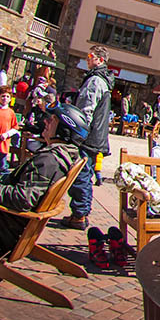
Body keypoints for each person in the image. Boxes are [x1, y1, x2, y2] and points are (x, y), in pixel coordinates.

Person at [0, 103, 85, 257]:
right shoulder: (60, 157)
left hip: (6, 230)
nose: (46, 122)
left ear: (63, 131)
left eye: (52, 120)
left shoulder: (49, 160)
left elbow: (23, 198)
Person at [64, 45, 114, 230]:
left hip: (88, 137)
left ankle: (79, 214)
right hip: (96, 137)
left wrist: (77, 133)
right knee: (85, 174)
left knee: (81, 175)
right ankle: (80, 212)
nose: (87, 59)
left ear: (99, 60)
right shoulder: (104, 80)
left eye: (90, 56)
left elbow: (86, 110)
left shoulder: (95, 80)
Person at [0, 85, 19, 176]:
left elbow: (15, 127)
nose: (5, 98)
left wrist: (6, 134)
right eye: (3, 96)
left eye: (7, 96)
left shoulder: (11, 112)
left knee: (3, 166)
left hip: (3, 143)